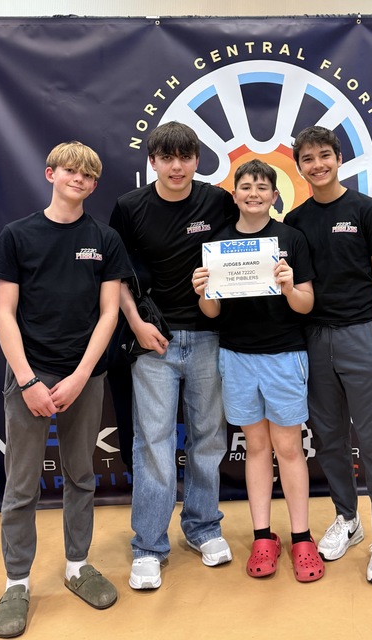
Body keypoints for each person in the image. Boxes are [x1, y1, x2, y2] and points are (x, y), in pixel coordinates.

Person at [0, 141, 133, 639]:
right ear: (50, 173)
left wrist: (79, 375)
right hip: (28, 373)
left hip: (84, 375)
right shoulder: (17, 235)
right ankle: (17, 583)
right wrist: (28, 380)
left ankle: (77, 567)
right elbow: (4, 313)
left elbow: (110, 312)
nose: (80, 180)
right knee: (21, 485)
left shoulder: (105, 239)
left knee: (81, 475)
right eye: (71, 171)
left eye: (89, 176)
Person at [109, 121, 237, 591]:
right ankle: (148, 546)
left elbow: (236, 256)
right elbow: (116, 277)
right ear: (153, 161)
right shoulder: (129, 208)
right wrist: (138, 325)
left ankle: (204, 528)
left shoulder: (217, 201)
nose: (177, 166)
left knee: (207, 438)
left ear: (197, 160)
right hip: (153, 342)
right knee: (154, 444)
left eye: (185, 157)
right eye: (167, 157)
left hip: (209, 336)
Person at [192, 159, 325, 583]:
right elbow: (211, 311)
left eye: (262, 187)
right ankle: (263, 536)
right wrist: (202, 290)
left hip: (285, 355)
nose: (253, 193)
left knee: (288, 447)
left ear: (274, 195)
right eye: (245, 186)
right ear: (235, 195)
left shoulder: (291, 239)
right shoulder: (219, 243)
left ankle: (301, 538)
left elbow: (305, 305)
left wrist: (288, 285)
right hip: (236, 355)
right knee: (255, 447)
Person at [284, 126, 372, 585]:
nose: (317, 164)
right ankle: (347, 520)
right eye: (308, 158)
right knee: (329, 440)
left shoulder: (365, 210)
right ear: (299, 165)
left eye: (325, 155)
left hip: (361, 337)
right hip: (313, 340)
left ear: (339, 159)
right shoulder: (294, 221)